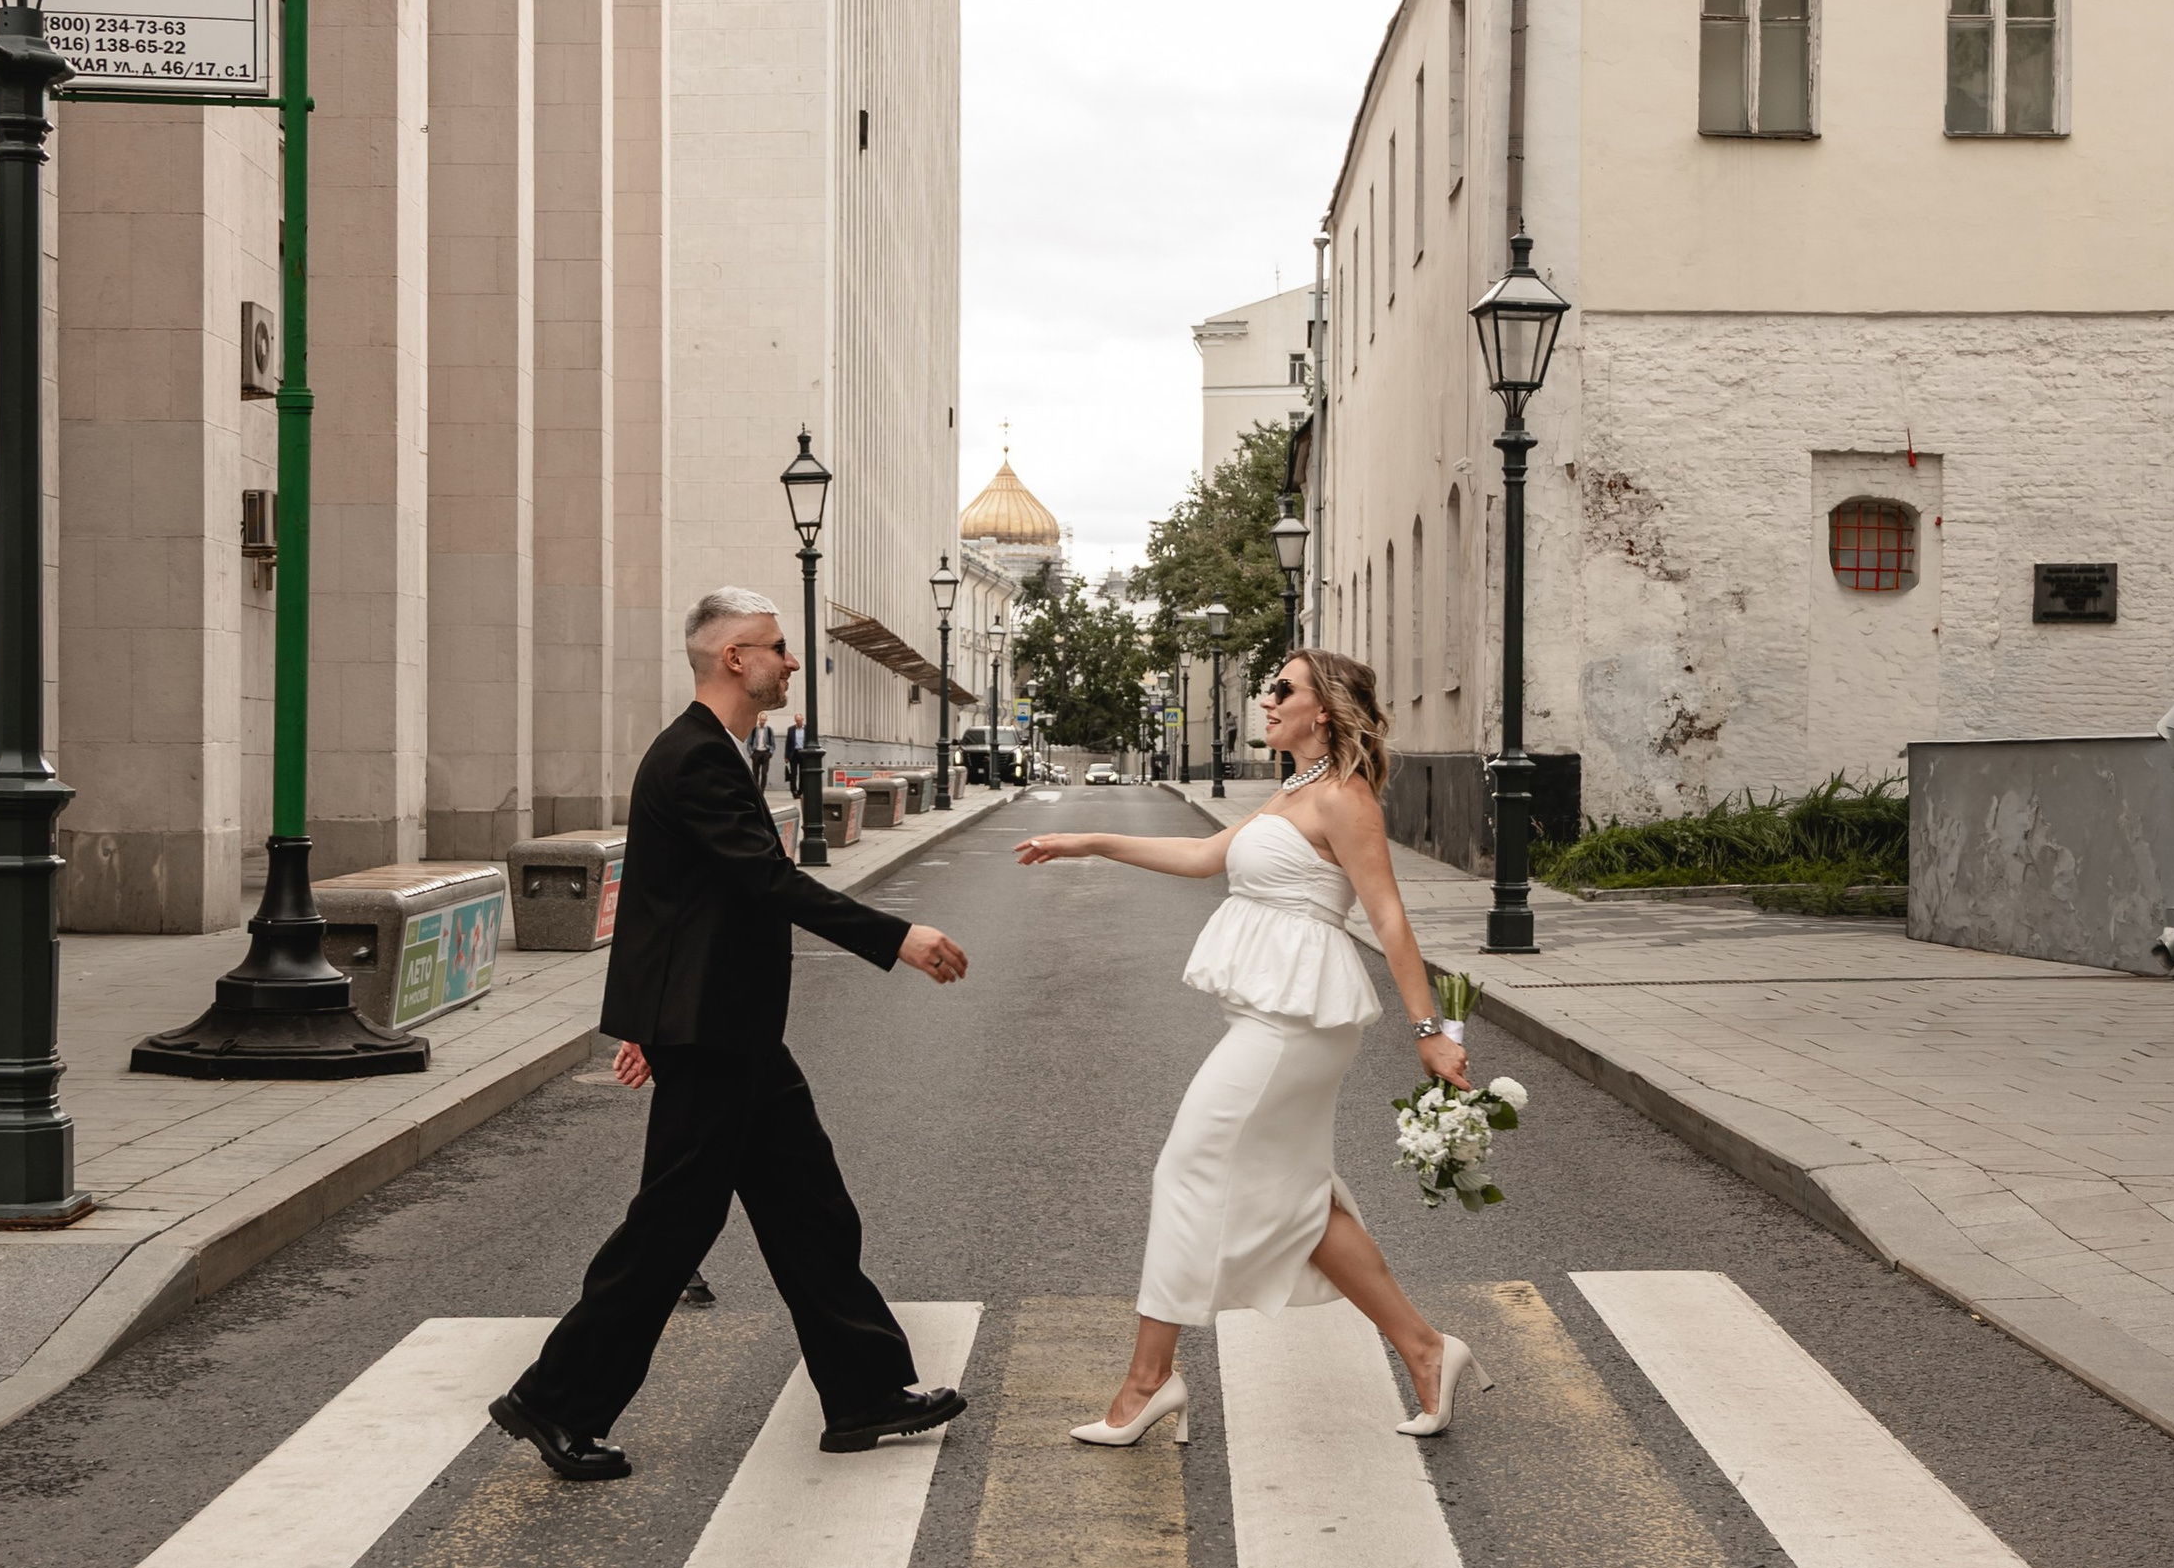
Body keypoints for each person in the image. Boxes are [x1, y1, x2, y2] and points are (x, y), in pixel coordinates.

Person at [490, 590, 971, 1481]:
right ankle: (556, 1399)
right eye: (779, 650)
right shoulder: (695, 759)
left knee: (811, 1211)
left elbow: (673, 903)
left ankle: (864, 1392)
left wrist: (644, 1022)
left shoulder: (718, 754)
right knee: (672, 1230)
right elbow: (762, 885)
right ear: (734, 659)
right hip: (713, 1036)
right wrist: (896, 936)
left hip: (729, 1029)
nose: (793, 663)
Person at [1015, 646, 1480, 1440]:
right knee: (1299, 1195)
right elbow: (1203, 858)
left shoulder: (1344, 796)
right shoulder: (1293, 788)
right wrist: (1091, 840)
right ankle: (1426, 1348)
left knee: (1189, 1167)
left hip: (1295, 1023)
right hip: (1275, 1016)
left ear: (1322, 711)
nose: (1266, 701)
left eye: (1282, 690)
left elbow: (1389, 915)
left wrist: (1430, 1032)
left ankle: (1146, 1383)